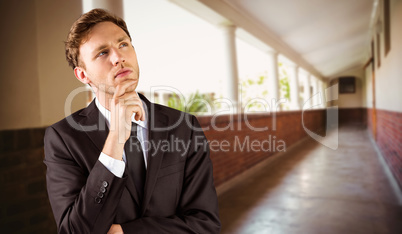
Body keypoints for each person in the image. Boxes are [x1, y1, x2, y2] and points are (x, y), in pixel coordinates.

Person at [44, 8, 221, 234]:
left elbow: (206, 225)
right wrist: (115, 140)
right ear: (82, 75)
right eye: (102, 53)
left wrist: (126, 232)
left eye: (123, 44)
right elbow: (74, 230)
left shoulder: (184, 126)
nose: (118, 57)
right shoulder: (63, 138)